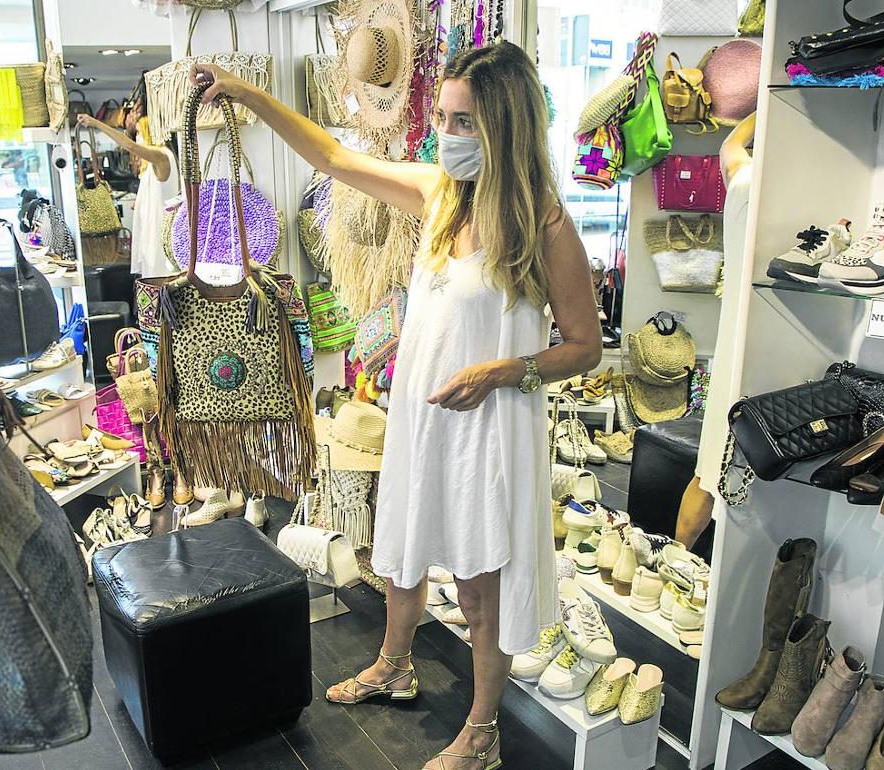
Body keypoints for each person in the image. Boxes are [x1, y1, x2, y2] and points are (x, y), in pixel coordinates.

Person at [192, 41, 602, 770]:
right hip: (424, 417)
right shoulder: (443, 197)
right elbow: (333, 159)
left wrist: (507, 369)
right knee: (402, 549)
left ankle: (482, 734)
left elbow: (584, 346)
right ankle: (395, 664)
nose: (447, 135)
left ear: (504, 127)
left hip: (487, 427)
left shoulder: (542, 223)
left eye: (464, 121)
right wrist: (246, 96)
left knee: (479, 588)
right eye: (442, 117)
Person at [680, 112, 756, 550]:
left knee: (710, 467)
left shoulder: (745, 178)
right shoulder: (776, 187)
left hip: (733, 344)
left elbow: (730, 145)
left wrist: (757, 114)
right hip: (775, 340)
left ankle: (673, 564)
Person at [77, 112, 179, 279]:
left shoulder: (162, 157)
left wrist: (96, 123)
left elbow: (130, 146)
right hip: (152, 235)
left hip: (159, 238)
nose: (137, 138)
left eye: (139, 133)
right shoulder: (154, 164)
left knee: (158, 283)